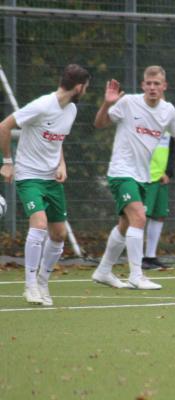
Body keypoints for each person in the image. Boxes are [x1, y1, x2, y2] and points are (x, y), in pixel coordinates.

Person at [91, 65, 175, 290]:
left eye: (156, 84)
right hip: (121, 172)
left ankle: (103, 271)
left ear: (164, 87)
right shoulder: (129, 102)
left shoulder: (168, 110)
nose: (152, 87)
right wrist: (107, 104)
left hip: (142, 176)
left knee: (125, 224)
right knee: (139, 217)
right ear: (142, 85)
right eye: (148, 83)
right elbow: (99, 123)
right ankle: (136, 275)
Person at [0, 64, 90, 306]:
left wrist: (62, 165)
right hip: (29, 175)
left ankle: (42, 282)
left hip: (52, 179)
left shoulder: (71, 110)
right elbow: (4, 126)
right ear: (79, 87)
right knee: (38, 223)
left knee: (58, 234)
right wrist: (8, 162)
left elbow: (56, 141)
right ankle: (29, 286)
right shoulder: (41, 106)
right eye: (86, 87)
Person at [142, 131, 175, 270]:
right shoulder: (144, 118)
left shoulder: (170, 122)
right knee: (139, 217)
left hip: (161, 177)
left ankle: (150, 257)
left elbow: (173, 149)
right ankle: (136, 259)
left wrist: (168, 172)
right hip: (145, 176)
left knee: (159, 215)